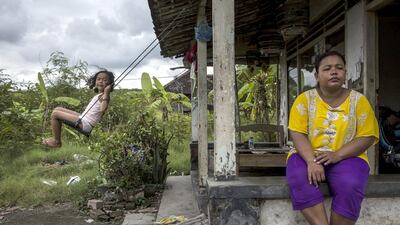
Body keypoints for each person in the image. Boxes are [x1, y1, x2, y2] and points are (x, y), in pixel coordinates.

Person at [286, 51, 379, 225]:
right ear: (316, 75)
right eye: (327, 68)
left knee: (350, 184)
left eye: (339, 68)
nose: (334, 72)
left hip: (348, 157)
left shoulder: (359, 101)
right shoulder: (303, 100)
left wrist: (337, 155)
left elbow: (367, 136)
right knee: (299, 176)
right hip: (306, 155)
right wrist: (311, 161)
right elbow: (297, 133)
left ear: (345, 74)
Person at [42, 70, 115, 148]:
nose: (101, 81)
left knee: (55, 114)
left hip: (86, 124)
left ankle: (57, 142)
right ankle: (55, 138)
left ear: (109, 84)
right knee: (58, 108)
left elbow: (103, 109)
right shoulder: (100, 95)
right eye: (99, 79)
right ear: (95, 81)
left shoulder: (105, 96)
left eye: (105, 80)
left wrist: (107, 93)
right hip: (84, 117)